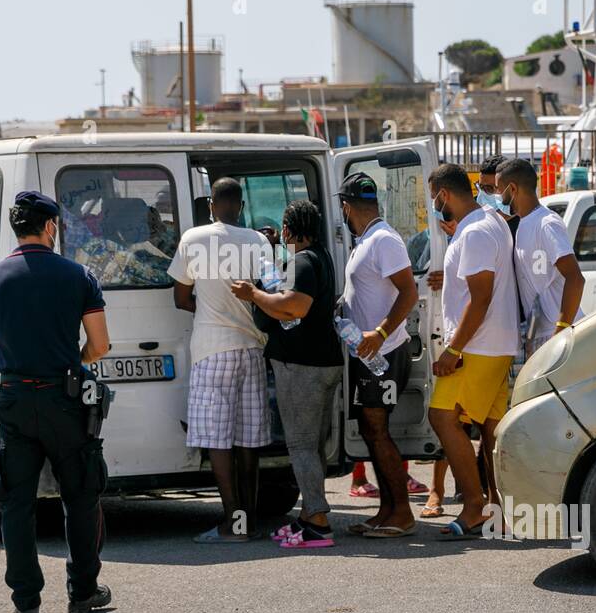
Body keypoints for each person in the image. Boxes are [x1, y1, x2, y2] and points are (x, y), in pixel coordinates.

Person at [0, 191, 113, 613]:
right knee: (82, 495)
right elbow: (99, 345)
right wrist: (69, 359)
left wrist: (13, 354)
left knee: (16, 503)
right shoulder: (78, 276)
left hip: (13, 399)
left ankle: (26, 602)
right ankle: (83, 592)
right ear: (49, 227)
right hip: (64, 399)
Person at [230, 200, 341, 549]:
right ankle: (309, 514)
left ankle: (318, 523)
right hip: (320, 362)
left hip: (303, 366)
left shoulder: (304, 262)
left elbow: (294, 306)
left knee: (301, 445)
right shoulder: (319, 257)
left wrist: (254, 294)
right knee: (313, 444)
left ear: (291, 229)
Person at [168, 177, 273, 543]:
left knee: (218, 440)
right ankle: (249, 521)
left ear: (211, 205)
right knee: (247, 440)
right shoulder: (258, 241)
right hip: (252, 349)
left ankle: (232, 523)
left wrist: (208, 308)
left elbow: (180, 297)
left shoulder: (193, 239)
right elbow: (270, 291)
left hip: (213, 349)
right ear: (241, 206)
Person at [425, 164, 520, 539]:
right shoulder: (487, 222)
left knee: (443, 417)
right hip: (493, 344)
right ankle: (497, 506)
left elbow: (479, 299)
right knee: (491, 428)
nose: (434, 206)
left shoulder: (477, 231)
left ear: (443, 195)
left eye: (434, 199)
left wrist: (453, 348)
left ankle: (474, 507)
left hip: (477, 346)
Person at [337, 171, 419, 538]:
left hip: (384, 353)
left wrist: (380, 331)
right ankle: (387, 510)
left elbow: (409, 293)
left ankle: (402, 512)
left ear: (345, 206)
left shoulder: (384, 239)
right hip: (367, 353)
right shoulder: (366, 240)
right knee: (371, 431)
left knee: (378, 430)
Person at [495, 156, 585, 355]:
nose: (498, 197)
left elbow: (576, 278)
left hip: (560, 336)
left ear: (512, 189)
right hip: (542, 336)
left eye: (499, 191)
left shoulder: (546, 224)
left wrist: (560, 331)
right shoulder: (524, 222)